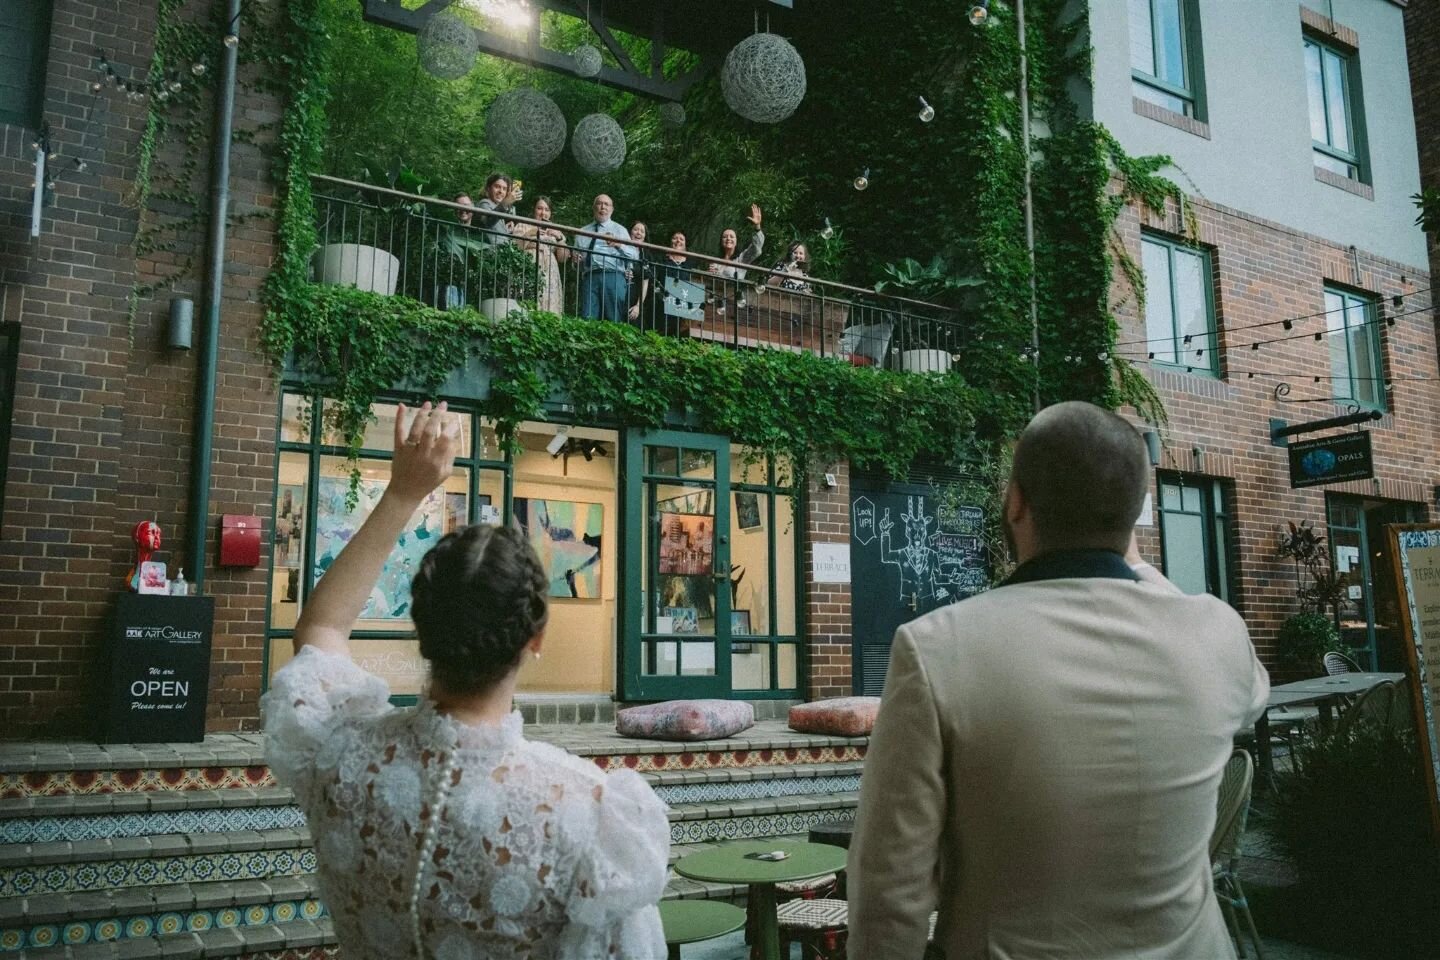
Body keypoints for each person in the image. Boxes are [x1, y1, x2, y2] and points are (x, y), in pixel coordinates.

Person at [846, 401, 1270, 960]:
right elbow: (1253, 699)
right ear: (1136, 513)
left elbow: (890, 887)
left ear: (1016, 501)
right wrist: (1132, 561)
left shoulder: (935, 648)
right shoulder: (1218, 635)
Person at [262, 402, 669, 960]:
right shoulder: (585, 811)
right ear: (536, 637)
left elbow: (322, 627)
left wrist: (404, 492)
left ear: (422, 626)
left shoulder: (338, 755)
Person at [572, 194, 637, 322]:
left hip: (613, 276)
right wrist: (576, 262)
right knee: (587, 318)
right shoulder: (583, 232)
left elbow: (634, 255)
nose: (603, 207)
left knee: (614, 319)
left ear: (612, 210)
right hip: (590, 277)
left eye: (606, 204)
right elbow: (577, 265)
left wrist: (619, 245)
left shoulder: (620, 230)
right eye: (599, 203)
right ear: (593, 207)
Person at [509, 195, 570, 314]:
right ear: (534, 210)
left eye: (547, 210)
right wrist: (531, 232)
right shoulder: (523, 224)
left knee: (549, 305)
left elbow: (563, 258)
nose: (543, 213)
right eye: (540, 208)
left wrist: (560, 239)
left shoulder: (555, 230)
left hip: (550, 273)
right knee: (528, 302)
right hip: (529, 267)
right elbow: (514, 246)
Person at [651, 230, 696, 335]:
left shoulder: (690, 263)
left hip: (682, 305)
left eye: (681, 239)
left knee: (678, 332)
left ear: (685, 244)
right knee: (660, 331)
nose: (678, 241)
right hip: (662, 301)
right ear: (670, 241)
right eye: (675, 238)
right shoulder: (662, 259)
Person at [708, 204, 764, 283]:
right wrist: (710, 274)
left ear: (736, 241)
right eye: (725, 237)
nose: (728, 238)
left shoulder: (742, 259)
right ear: (721, 241)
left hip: (733, 294)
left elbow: (757, 249)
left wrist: (757, 227)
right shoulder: (716, 261)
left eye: (731, 236)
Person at [625, 221, 656, 328]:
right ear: (629, 232)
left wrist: (638, 305)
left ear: (645, 236)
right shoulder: (621, 248)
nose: (638, 233)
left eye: (642, 231)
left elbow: (645, 282)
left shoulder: (646, 255)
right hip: (619, 292)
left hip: (635, 297)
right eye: (636, 229)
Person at [475, 173, 520, 245]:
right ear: (488, 188)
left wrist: (505, 230)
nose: (501, 191)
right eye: (497, 187)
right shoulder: (484, 203)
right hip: (489, 251)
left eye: (504, 189)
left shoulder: (497, 206)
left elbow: (494, 228)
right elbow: (487, 222)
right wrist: (505, 203)